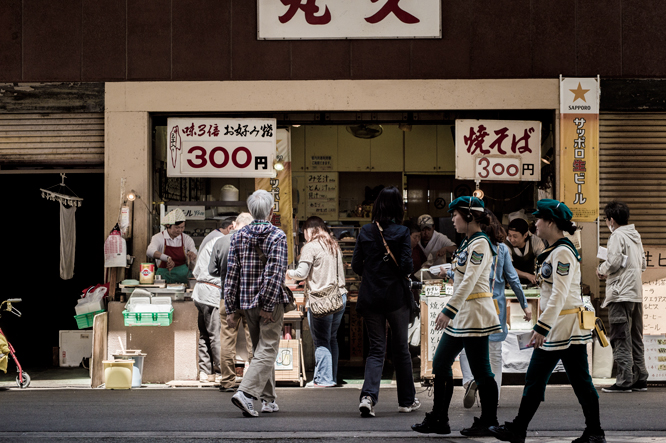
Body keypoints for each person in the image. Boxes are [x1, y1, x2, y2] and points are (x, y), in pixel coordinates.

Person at [490, 199, 605, 443]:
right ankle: (593, 432)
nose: (536, 224)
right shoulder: (556, 250)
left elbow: (560, 295)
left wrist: (542, 327)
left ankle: (520, 429)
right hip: (561, 328)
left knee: (544, 377)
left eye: (539, 219)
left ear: (551, 222)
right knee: (572, 380)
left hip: (561, 328)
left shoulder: (562, 252)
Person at [412, 196, 501, 437]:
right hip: (464, 315)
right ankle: (439, 418)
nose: (452, 219)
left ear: (469, 216)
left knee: (481, 371)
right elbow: (463, 276)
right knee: (441, 363)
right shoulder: (467, 242)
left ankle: (489, 421)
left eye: (455, 214)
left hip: (474, 315)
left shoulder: (480, 243)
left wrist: (448, 310)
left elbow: (471, 281)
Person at [352, 186, 419, 417]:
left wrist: (373, 273)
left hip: (371, 297)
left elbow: (356, 266)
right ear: (398, 207)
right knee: (401, 349)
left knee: (376, 349)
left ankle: (368, 397)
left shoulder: (365, 231)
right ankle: (406, 401)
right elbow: (408, 267)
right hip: (396, 299)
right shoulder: (402, 232)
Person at [458, 210, 532, 408]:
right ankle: (493, 397)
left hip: (473, 305)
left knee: (467, 347)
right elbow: (513, 279)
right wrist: (525, 305)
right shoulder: (502, 250)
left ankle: (469, 380)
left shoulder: (472, 246)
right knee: (495, 354)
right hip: (495, 307)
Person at [225, 190, 289, 418]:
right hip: (268, 303)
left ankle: (269, 400)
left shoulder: (237, 236)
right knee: (268, 348)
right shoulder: (277, 236)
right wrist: (269, 305)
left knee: (260, 350)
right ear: (271, 211)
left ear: (251, 211)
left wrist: (231, 308)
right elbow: (275, 274)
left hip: (246, 302)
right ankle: (246, 393)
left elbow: (231, 275)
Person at [287, 216, 347, 388]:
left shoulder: (310, 246)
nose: (303, 235)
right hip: (339, 297)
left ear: (309, 230)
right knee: (332, 338)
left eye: (304, 231)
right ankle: (331, 376)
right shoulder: (333, 245)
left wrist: (289, 273)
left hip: (322, 300)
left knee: (321, 340)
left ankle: (324, 379)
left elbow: (302, 273)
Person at [596, 201, 648, 393]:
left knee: (619, 336)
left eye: (606, 219)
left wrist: (601, 270)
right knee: (635, 336)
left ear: (611, 219)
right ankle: (640, 377)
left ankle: (625, 380)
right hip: (635, 293)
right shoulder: (635, 235)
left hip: (619, 294)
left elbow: (614, 261)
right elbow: (642, 264)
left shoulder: (617, 235)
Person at [209, 212, 255, 393]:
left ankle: (227, 381)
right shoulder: (254, 241)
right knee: (253, 339)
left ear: (235, 224)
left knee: (227, 340)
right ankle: (252, 381)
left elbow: (211, 270)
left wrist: (224, 273)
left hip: (227, 297)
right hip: (250, 298)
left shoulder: (221, 242)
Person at [192, 225, 224, 384]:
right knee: (215, 334)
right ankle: (220, 372)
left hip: (200, 293)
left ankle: (205, 372)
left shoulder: (212, 242)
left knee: (204, 333)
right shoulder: (223, 243)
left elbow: (196, 271)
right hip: (212, 293)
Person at [146, 208, 197, 284]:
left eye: (182, 227)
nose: (180, 230)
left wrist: (193, 256)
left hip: (183, 278)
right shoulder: (158, 237)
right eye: (177, 227)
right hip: (163, 277)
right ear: (168, 225)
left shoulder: (187, 239)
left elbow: (195, 255)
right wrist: (167, 258)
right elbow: (149, 251)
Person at [505, 218, 545, 286]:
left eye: (515, 236)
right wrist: (527, 275)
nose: (511, 239)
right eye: (509, 235)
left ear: (525, 235)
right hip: (511, 283)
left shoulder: (535, 242)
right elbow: (508, 268)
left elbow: (544, 261)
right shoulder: (506, 244)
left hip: (532, 283)